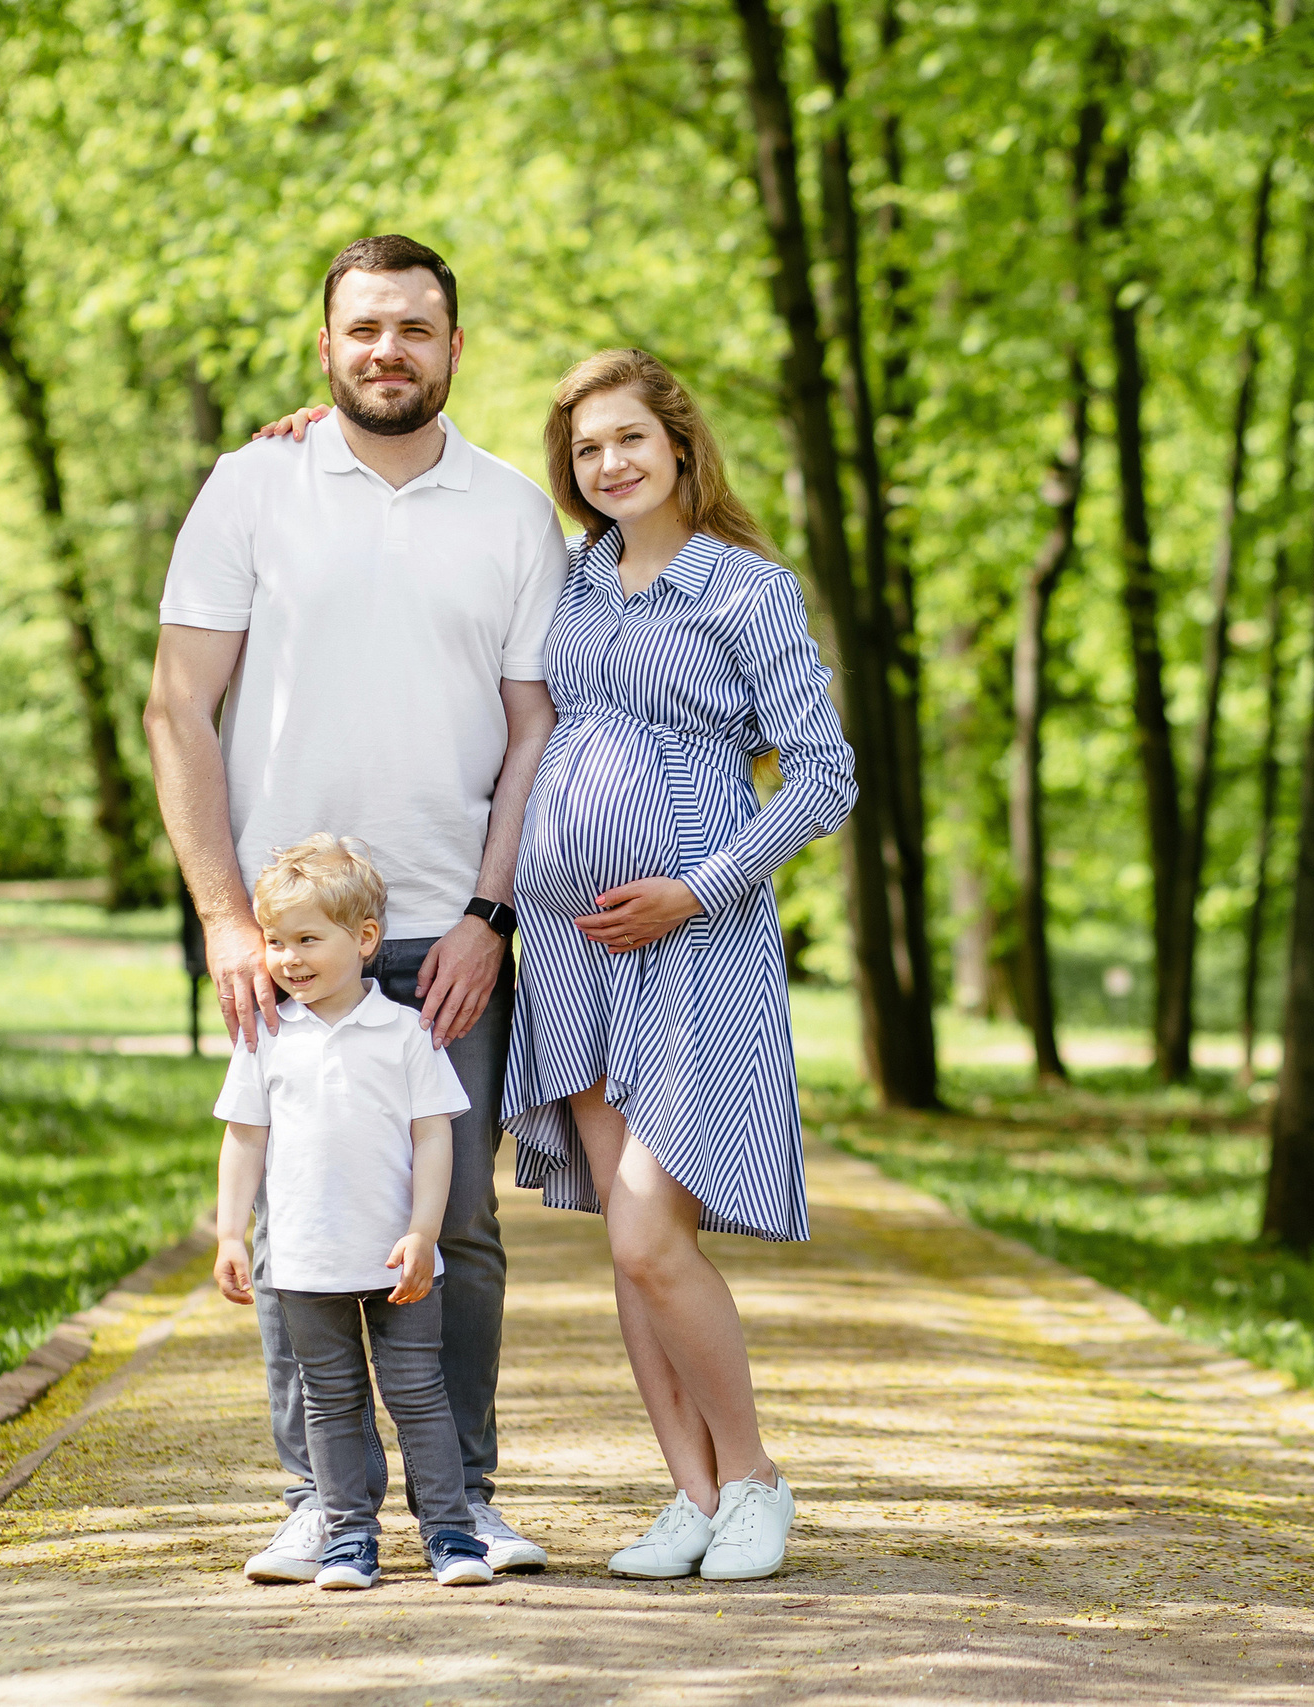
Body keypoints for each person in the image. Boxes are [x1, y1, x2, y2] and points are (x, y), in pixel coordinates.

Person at [145, 234, 566, 1582]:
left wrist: (491, 914)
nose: (389, 348)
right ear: (325, 345)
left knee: (457, 1228)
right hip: (294, 933)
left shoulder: (513, 512)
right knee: (295, 1222)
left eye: (417, 328)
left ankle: (470, 1500)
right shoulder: (250, 485)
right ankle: (317, 1503)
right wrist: (223, 917)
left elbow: (533, 727)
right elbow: (178, 707)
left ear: (457, 347)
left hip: (449, 924)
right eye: (365, 327)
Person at [506, 349, 856, 1582]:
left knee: (655, 1231)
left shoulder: (743, 589)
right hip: (570, 946)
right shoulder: (572, 580)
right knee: (622, 1242)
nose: (608, 464)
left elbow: (822, 775)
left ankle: (756, 1479)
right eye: (587, 449)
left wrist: (696, 887)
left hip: (695, 937)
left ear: (680, 447)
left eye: (628, 442)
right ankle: (690, 1498)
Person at [210, 835, 491, 1590]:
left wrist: (425, 1230)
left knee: (416, 1394)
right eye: (276, 941)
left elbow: (435, 1138)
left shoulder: (405, 1032)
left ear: (364, 939)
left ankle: (450, 1534)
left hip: (395, 1255)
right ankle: (346, 1539)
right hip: (304, 1261)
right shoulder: (265, 1037)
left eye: (309, 938)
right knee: (329, 1403)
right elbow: (243, 1140)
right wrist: (230, 1232)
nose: (289, 958)